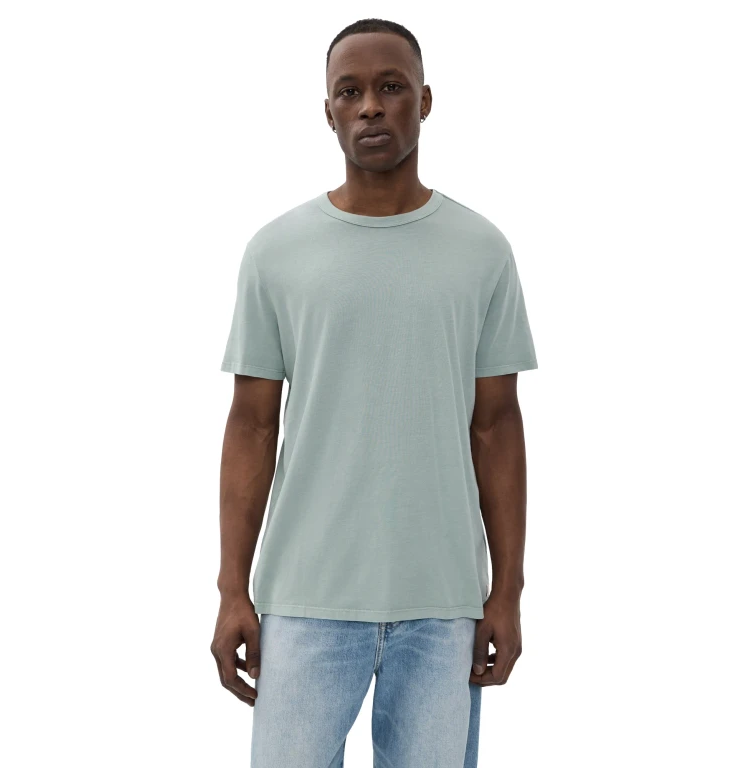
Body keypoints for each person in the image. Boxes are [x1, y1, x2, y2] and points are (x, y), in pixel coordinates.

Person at [211, 17, 538, 767]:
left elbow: (496, 426)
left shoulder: (481, 251)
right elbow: (252, 426)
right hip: (305, 599)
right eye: (349, 91)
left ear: (425, 101)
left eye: (391, 87)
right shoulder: (276, 252)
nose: (370, 106)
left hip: (443, 603)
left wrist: (507, 591)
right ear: (327, 111)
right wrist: (232, 589)